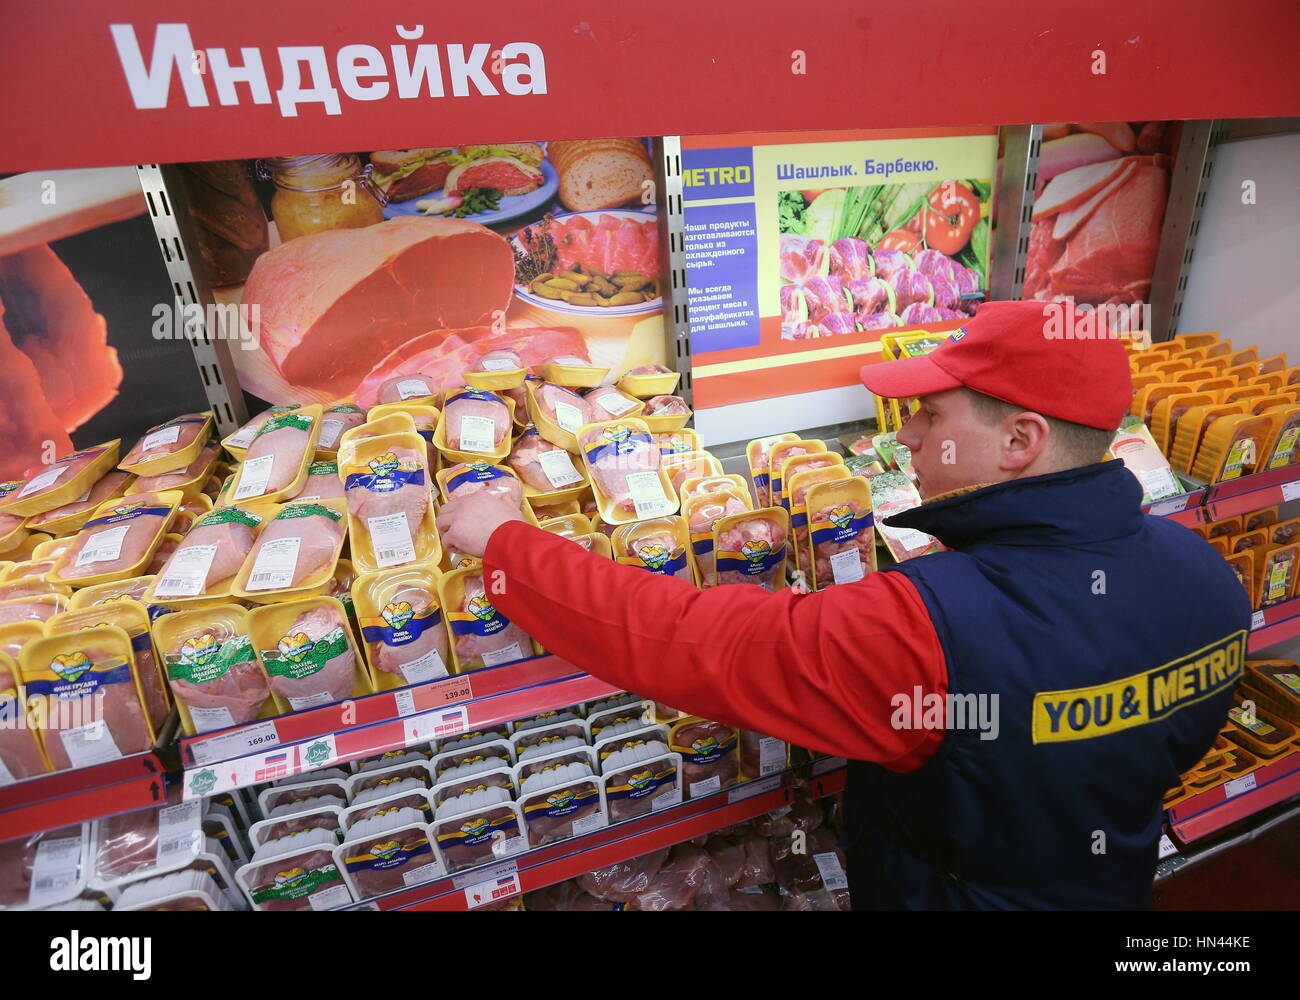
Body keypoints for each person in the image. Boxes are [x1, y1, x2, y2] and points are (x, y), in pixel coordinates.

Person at [436, 300, 1250, 910]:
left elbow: (683, 641)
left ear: (1020, 442)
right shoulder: (1208, 575)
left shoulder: (925, 626)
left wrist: (508, 544)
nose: (906, 440)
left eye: (931, 417)